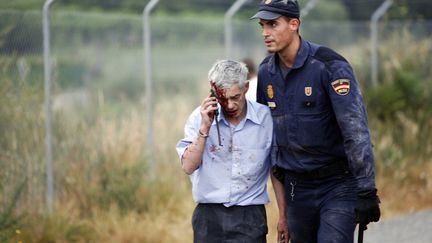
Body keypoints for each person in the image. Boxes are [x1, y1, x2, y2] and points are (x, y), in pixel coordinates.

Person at [250, 1, 381, 243]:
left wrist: (366, 188)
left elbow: (355, 129)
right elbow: (271, 143)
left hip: (337, 184)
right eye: (262, 25)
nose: (265, 33)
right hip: (296, 189)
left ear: (294, 24)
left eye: (272, 24)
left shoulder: (329, 66)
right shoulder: (266, 72)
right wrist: (283, 212)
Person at [176, 59, 285, 242]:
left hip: (250, 217)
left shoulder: (265, 119)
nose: (230, 105)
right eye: (223, 99)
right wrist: (205, 129)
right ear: (213, 92)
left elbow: (276, 170)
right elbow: (187, 166)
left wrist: (283, 216)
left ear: (246, 88)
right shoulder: (199, 118)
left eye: (235, 97)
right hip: (209, 217)